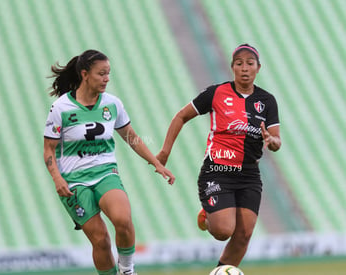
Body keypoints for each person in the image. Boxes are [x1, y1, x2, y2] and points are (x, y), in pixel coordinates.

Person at [43, 49, 175, 275]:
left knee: (122, 219)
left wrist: (156, 162)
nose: (106, 79)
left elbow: (131, 137)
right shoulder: (61, 108)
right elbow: (48, 149)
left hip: (105, 172)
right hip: (74, 182)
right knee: (101, 241)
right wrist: (57, 179)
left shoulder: (112, 104)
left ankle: (127, 270)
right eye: (101, 74)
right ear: (85, 74)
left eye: (108, 73)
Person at [156, 44, 281, 267]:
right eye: (239, 63)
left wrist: (272, 141)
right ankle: (208, 214)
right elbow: (181, 117)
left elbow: (276, 140)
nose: (244, 68)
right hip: (218, 170)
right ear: (232, 67)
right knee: (224, 231)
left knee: (243, 236)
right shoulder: (216, 93)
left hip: (249, 174)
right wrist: (165, 151)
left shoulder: (267, 101)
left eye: (250, 64)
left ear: (258, 68)